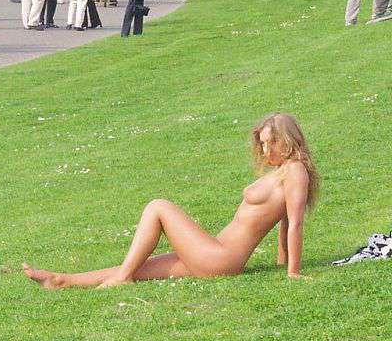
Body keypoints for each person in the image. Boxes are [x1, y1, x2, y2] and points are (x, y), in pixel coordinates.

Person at [23, 113, 319, 288]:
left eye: (271, 142)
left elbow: (294, 224)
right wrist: (283, 264)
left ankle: (121, 277)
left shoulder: (295, 172)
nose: (265, 150)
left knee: (158, 207)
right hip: (215, 254)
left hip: (221, 258)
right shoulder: (285, 171)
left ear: (289, 140)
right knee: (141, 265)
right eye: (263, 143)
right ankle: (62, 280)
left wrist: (292, 272)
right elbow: (282, 225)